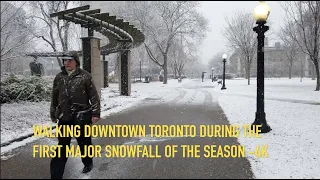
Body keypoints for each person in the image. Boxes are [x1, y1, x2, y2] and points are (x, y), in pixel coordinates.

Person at [50, 52, 100, 179]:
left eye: (69, 60)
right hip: (64, 117)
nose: (66, 63)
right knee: (62, 147)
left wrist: (95, 113)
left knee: (84, 143)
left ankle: (88, 162)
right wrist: (53, 113)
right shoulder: (59, 77)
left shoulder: (85, 76)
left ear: (76, 61)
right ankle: (56, 175)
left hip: (81, 117)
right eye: (64, 60)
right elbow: (54, 97)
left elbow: (93, 96)